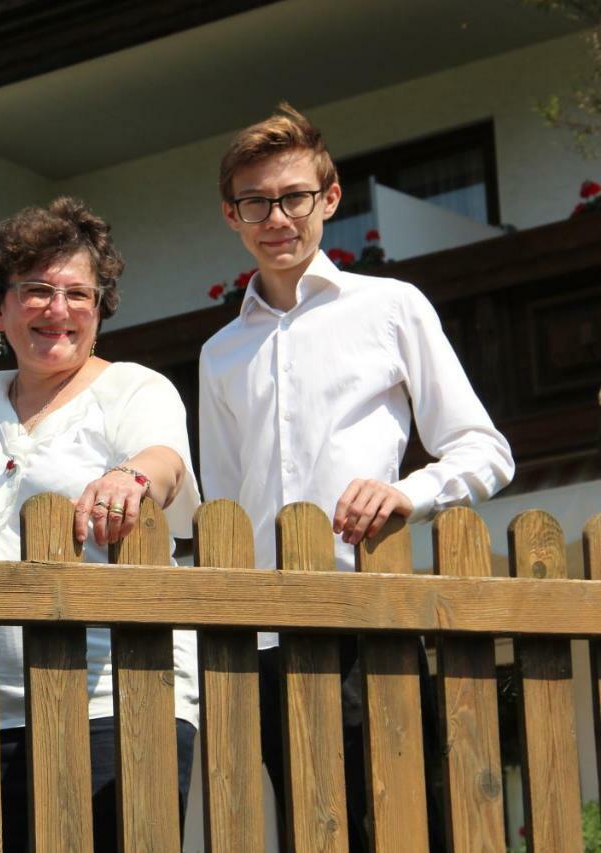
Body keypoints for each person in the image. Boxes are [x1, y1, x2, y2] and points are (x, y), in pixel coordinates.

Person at [198, 103, 515, 850]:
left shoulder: (393, 308)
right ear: (231, 215)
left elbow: (485, 449)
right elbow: (224, 506)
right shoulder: (220, 354)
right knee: (309, 835)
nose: (277, 217)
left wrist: (409, 491)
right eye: (256, 202)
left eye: (294, 197)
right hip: (265, 640)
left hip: (372, 621)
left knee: (403, 828)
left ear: (329, 199)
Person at [0, 197, 201, 852]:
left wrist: (132, 477)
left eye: (77, 294)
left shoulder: (132, 390)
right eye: (36, 291)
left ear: (100, 307)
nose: (58, 310)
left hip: (116, 702)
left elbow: (165, 460)